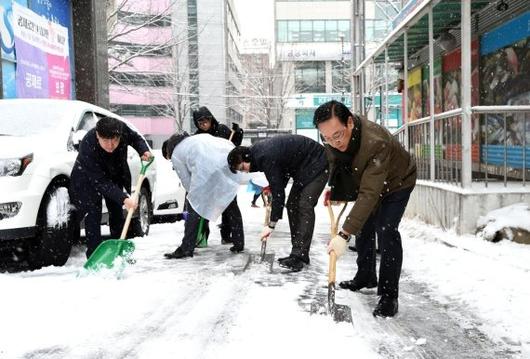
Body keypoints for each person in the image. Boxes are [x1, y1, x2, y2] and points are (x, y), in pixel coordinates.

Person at [313, 100, 417, 318]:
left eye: (338, 136)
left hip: (398, 182)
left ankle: (389, 296)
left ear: (350, 123)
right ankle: (366, 276)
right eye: (327, 138)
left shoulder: (376, 143)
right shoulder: (333, 140)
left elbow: (370, 194)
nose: (333, 142)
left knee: (385, 229)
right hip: (369, 181)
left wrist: (343, 235)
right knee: (364, 226)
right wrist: (335, 190)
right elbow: (337, 164)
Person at [227, 135, 328, 272]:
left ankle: (300, 255)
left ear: (246, 158)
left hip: (318, 163)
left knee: (304, 205)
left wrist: (272, 224)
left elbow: (279, 192)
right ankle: (297, 252)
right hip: (303, 168)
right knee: (292, 205)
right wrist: (274, 185)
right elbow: (283, 172)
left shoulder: (264, 156)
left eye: (242, 167)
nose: (244, 171)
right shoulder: (258, 154)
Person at [69, 117, 152, 258]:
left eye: (114, 140)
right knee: (92, 213)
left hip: (115, 171)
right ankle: (94, 255)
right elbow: (100, 182)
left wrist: (143, 151)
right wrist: (125, 198)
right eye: (105, 141)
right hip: (88, 178)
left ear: (119, 135)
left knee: (116, 212)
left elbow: (136, 138)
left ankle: (118, 252)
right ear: (97, 135)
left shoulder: (122, 129)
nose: (111, 145)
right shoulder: (88, 146)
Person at [162, 132, 245, 259]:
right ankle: (239, 243)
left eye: (167, 157)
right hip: (226, 161)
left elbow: (186, 181)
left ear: (168, 151)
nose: (170, 159)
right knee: (230, 202)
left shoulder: (176, 154)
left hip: (206, 169)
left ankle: (186, 247)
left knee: (193, 207)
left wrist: (196, 199)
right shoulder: (193, 140)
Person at [193, 106, 244, 245]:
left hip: (226, 175)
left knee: (229, 207)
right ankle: (202, 237)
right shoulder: (197, 137)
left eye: (206, 121)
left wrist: (238, 133)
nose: (204, 124)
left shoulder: (222, 130)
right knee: (205, 209)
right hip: (208, 178)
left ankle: (230, 237)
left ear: (211, 119)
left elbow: (234, 146)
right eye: (200, 122)